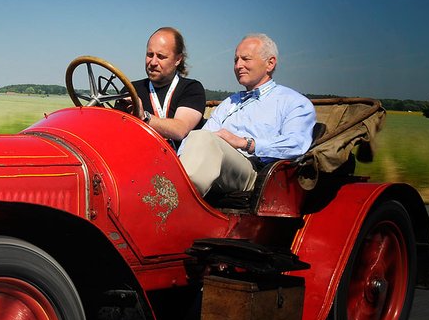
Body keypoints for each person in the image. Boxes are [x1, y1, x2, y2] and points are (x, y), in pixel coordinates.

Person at [179, 33, 316, 196]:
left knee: (204, 138)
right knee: (197, 136)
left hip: (256, 174)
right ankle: (170, 189)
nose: (238, 66)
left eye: (246, 59)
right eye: (236, 60)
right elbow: (201, 136)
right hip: (217, 167)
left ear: (270, 63)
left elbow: (297, 144)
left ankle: (176, 199)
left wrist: (245, 143)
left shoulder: (292, 102)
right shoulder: (229, 102)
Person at [119, 27, 206, 147]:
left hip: (180, 162)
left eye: (161, 56)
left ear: (178, 59)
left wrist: (144, 117)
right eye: (150, 55)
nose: (153, 62)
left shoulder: (191, 89)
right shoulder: (131, 90)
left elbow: (180, 129)